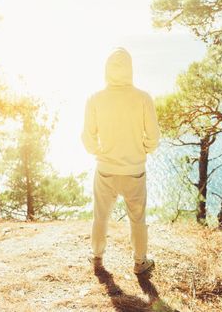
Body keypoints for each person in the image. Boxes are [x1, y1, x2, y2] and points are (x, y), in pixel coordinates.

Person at [81, 47, 160, 275]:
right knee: (138, 219)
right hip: (135, 170)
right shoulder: (143, 98)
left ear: (106, 70)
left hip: (105, 169)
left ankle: (97, 258)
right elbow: (153, 137)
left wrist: (99, 151)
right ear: (130, 70)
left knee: (100, 216)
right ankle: (140, 262)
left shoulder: (95, 98)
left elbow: (87, 137)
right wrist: (142, 150)